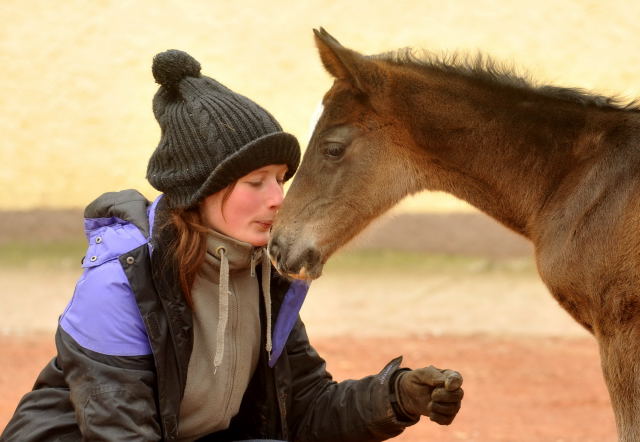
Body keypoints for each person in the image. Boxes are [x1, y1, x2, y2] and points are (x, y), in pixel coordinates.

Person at [2, 49, 464, 442]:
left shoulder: (262, 276)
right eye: (255, 182)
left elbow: (303, 408)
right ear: (201, 190)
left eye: (281, 179)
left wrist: (396, 395)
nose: (278, 199)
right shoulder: (122, 283)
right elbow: (120, 431)